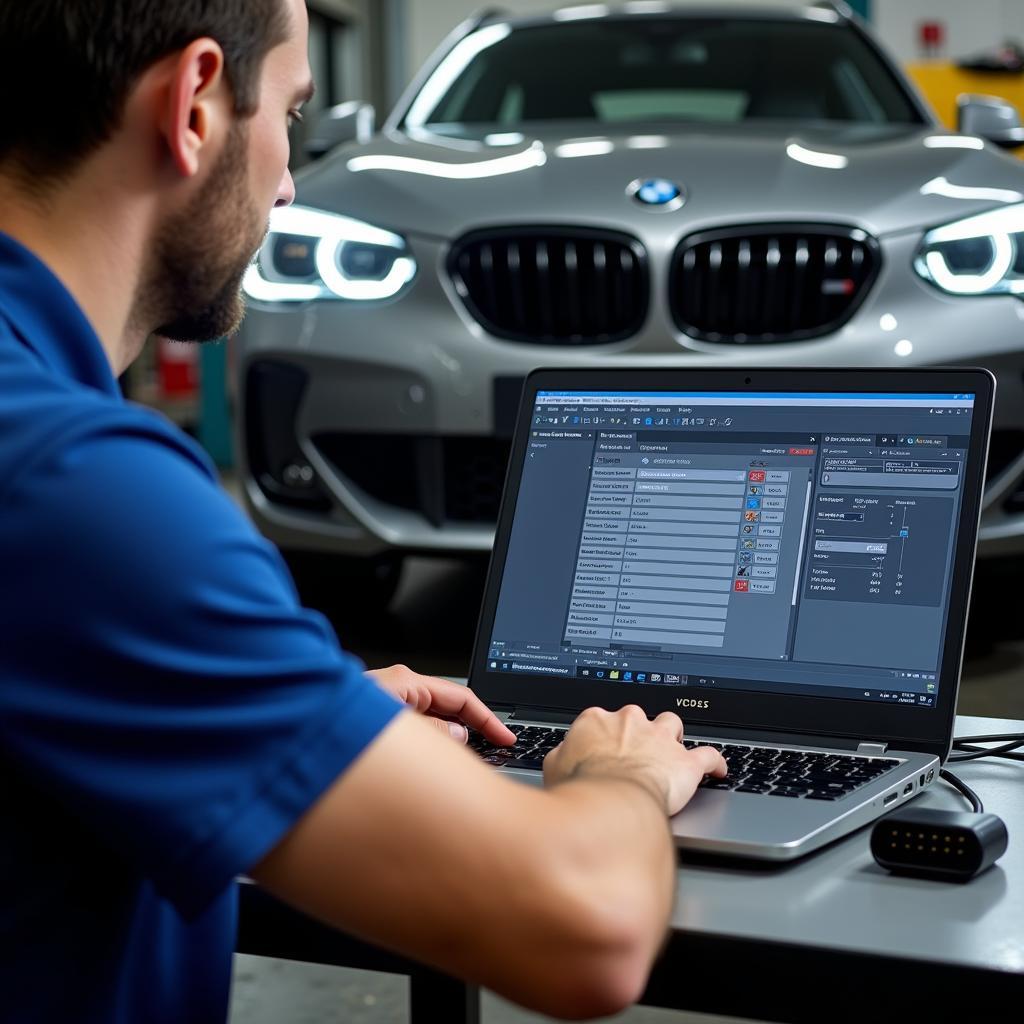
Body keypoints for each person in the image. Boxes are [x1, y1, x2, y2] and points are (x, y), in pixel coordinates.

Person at [0, 2, 727, 1021]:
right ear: (195, 104)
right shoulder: (79, 488)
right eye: (290, 114)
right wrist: (622, 776)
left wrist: (299, 710)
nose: (290, 182)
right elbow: (588, 926)